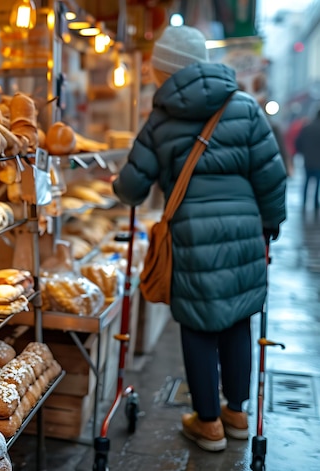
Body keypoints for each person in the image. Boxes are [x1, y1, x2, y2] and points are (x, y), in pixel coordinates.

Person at [112, 25, 287, 452]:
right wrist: (271, 225)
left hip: (190, 236)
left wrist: (120, 185)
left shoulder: (160, 120)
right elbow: (272, 176)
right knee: (237, 319)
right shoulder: (244, 107)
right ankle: (238, 413)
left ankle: (208, 424)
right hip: (245, 232)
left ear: (165, 72)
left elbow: (132, 189)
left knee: (197, 326)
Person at [295, 109, 320, 210]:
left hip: (308, 160)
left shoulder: (306, 127)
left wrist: (303, 152)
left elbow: (298, 142)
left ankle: (304, 202)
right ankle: (315, 203)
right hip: (319, 162)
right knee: (317, 184)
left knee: (306, 182)